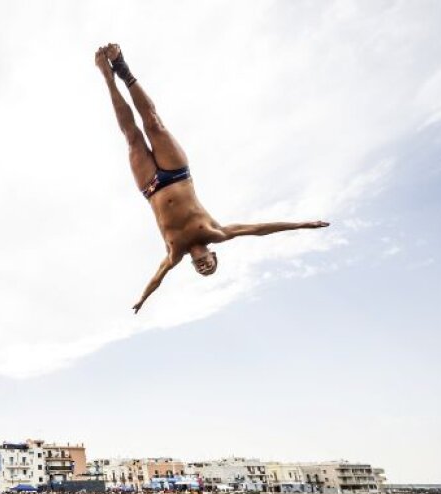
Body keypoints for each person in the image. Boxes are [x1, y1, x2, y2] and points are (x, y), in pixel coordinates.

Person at [93, 44, 330, 312]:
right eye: (210, 266)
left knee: (131, 136)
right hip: (177, 174)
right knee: (153, 123)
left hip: (151, 187)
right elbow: (260, 229)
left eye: (202, 270)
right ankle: (122, 67)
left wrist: (142, 299)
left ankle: (107, 77)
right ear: (213, 255)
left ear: (195, 265)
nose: (205, 267)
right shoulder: (217, 234)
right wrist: (302, 224)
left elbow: (157, 279)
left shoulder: (175, 255)